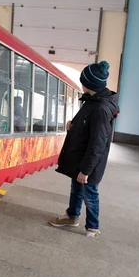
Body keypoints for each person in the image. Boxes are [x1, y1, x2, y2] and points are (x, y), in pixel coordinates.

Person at [49, 61, 119, 238]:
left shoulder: (101, 108)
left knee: (90, 193)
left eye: (82, 81)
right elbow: (89, 128)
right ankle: (72, 216)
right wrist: (74, 126)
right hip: (81, 159)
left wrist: (86, 170)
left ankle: (93, 228)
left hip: (89, 163)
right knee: (76, 188)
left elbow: (98, 143)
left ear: (89, 83)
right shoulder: (92, 101)